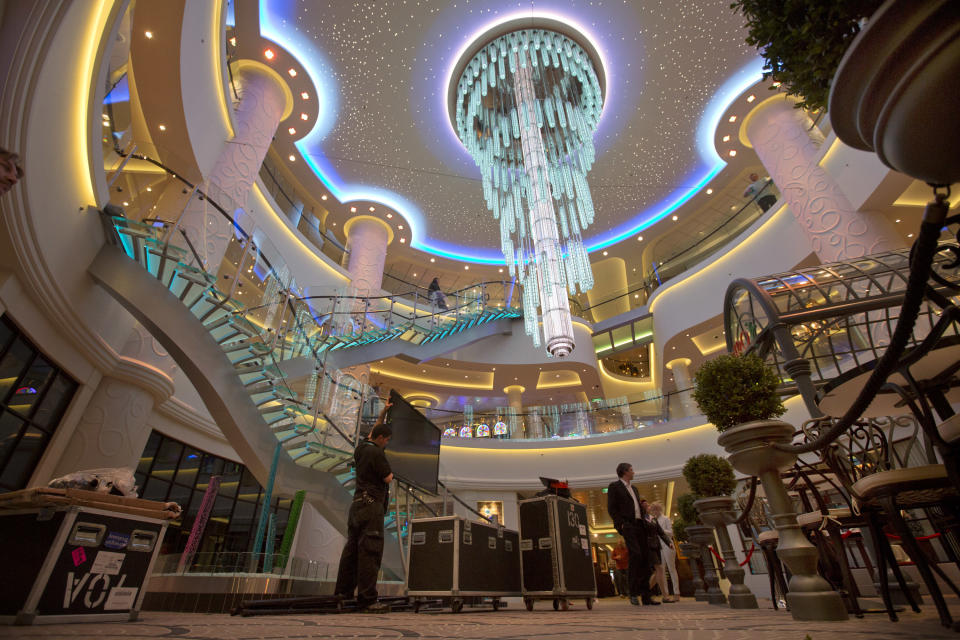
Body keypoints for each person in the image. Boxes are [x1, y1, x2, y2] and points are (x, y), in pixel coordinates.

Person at [334, 402, 393, 612]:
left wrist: (383, 413)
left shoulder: (361, 448)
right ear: (380, 439)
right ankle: (367, 599)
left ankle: (342, 594)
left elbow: (374, 432)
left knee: (351, 550)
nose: (386, 444)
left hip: (357, 505)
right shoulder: (377, 453)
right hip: (371, 506)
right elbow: (387, 478)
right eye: (386, 440)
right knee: (370, 550)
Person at [606, 463, 659, 606]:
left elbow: (637, 508)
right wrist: (620, 524)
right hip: (628, 525)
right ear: (624, 472)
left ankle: (646, 595)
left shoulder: (634, 489)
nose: (634, 472)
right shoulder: (614, 487)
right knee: (635, 555)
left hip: (640, 525)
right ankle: (633, 592)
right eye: (631, 470)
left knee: (645, 558)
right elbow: (612, 508)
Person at [643, 500, 678, 602]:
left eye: (655, 509)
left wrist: (661, 531)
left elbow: (669, 533)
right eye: (652, 509)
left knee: (671, 569)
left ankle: (676, 592)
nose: (653, 511)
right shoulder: (650, 519)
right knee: (660, 570)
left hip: (667, 546)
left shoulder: (665, 519)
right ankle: (665, 594)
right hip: (656, 546)